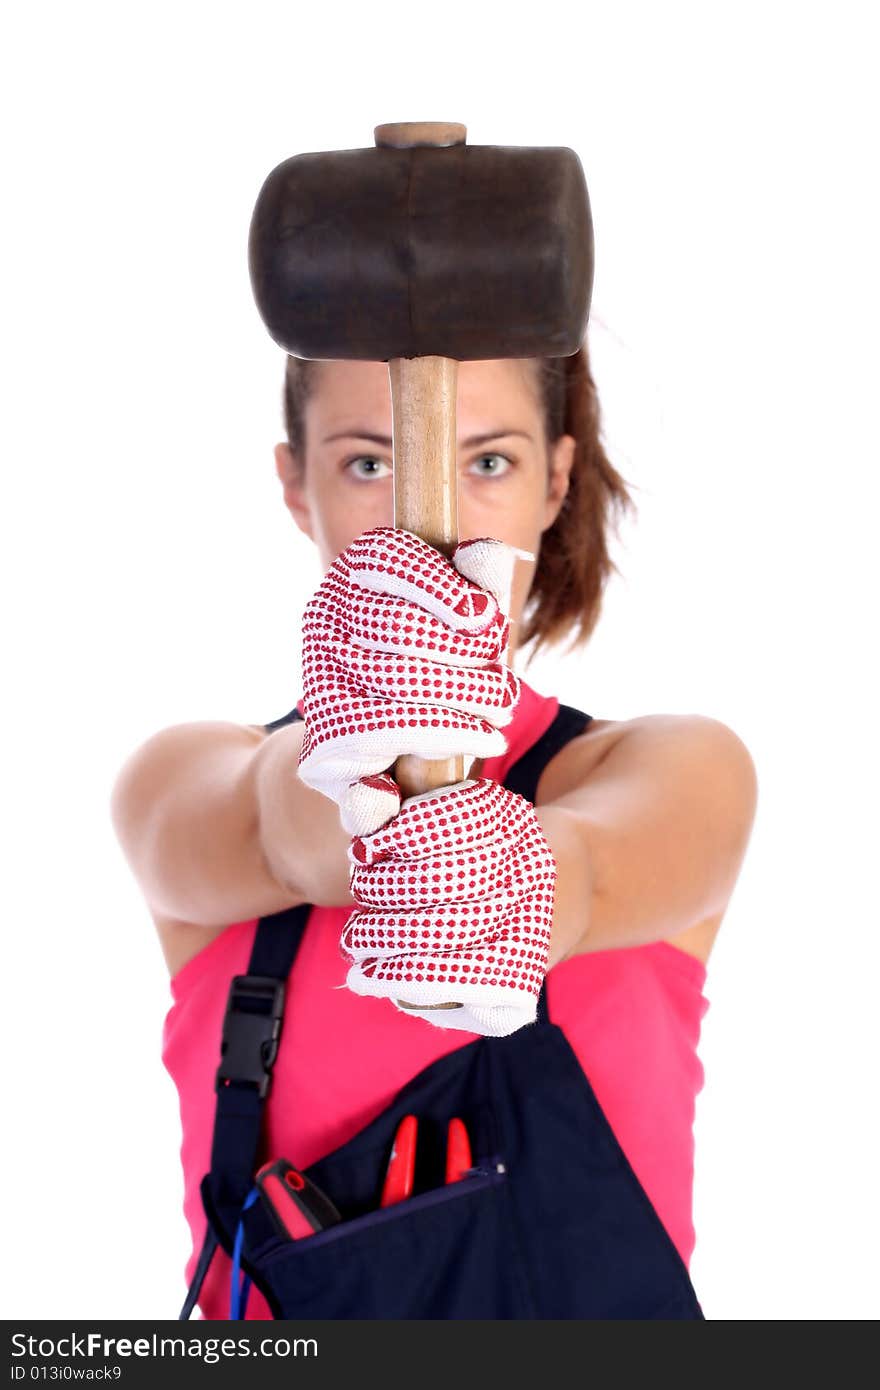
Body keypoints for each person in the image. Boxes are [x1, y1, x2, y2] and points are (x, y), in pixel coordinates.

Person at [110, 346, 758, 1319]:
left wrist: (518, 876)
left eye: (488, 463)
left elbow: (578, 873)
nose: (433, 526)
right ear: (296, 485)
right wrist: (353, 755)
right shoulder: (183, 781)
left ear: (555, 478)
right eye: (369, 465)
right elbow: (278, 832)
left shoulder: (674, 772)